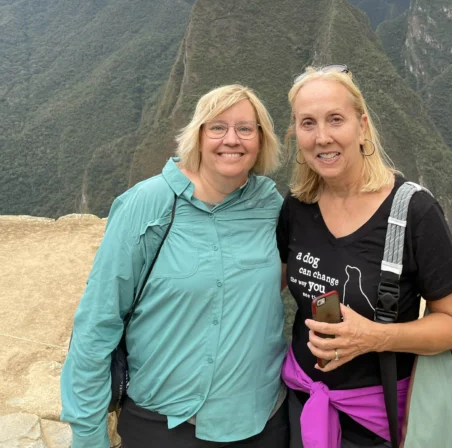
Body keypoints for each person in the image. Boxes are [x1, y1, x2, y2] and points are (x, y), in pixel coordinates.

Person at [61, 84, 289, 448]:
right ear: (197, 135)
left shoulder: (270, 204)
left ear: (261, 141)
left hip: (263, 420)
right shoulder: (148, 204)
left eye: (245, 129)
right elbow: (98, 319)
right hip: (165, 424)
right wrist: (88, 434)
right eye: (217, 127)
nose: (232, 139)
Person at [277, 66, 452, 448]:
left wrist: (373, 337)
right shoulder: (297, 207)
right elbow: (268, 282)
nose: (322, 137)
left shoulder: (414, 211)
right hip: (300, 403)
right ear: (295, 134)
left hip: (377, 420)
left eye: (336, 120)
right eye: (307, 123)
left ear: (362, 125)